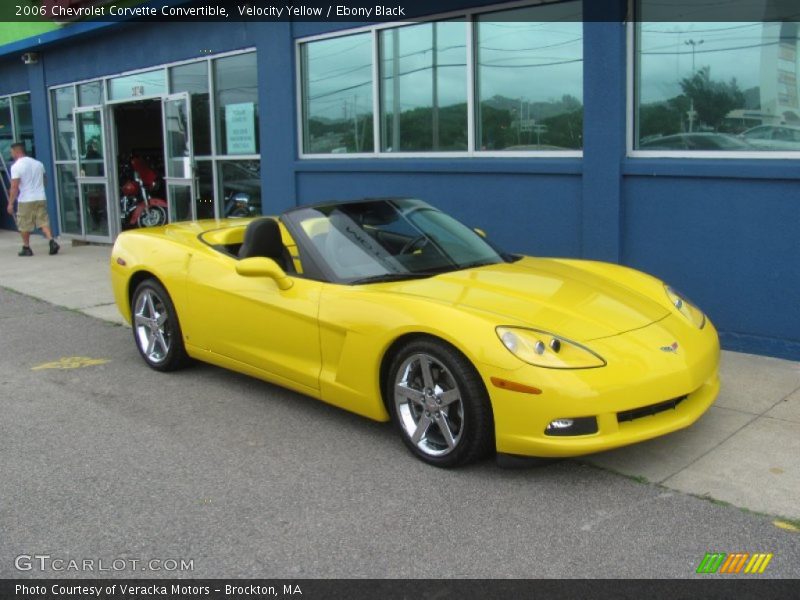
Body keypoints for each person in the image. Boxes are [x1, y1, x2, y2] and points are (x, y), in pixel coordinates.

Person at [6, 142, 59, 256]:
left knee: (24, 224)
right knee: (43, 221)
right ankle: (51, 241)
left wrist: (10, 203)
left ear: (17, 151)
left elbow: (14, 186)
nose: (11, 154)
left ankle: (26, 247)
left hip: (26, 199)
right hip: (40, 197)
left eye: (11, 152)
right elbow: (45, 181)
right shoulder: (38, 163)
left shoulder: (16, 166)